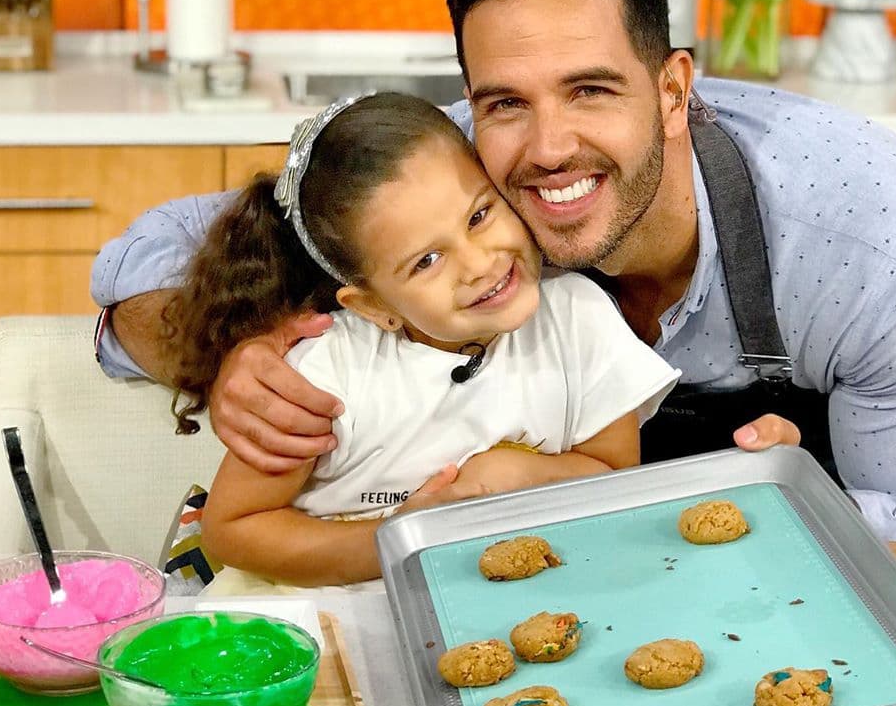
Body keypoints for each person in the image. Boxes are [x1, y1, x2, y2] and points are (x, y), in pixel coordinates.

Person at [92, 0, 896, 542]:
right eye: (506, 102)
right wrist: (231, 349)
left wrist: (789, 501)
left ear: (674, 91)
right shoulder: (452, 176)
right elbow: (145, 266)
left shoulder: (863, 231)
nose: (548, 150)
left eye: (591, 90)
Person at [165, 92, 678, 587]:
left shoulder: (580, 321)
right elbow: (233, 530)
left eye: (479, 216)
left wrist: (515, 477)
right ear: (375, 307)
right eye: (426, 261)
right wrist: (404, 537)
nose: (480, 264)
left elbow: (614, 478)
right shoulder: (323, 378)